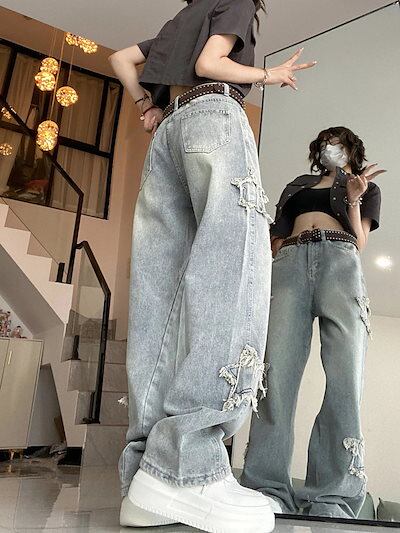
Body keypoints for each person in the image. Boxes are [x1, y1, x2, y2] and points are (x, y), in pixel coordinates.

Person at [109, 1, 316, 531]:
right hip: (214, 118)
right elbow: (210, 64)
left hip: (168, 133)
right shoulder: (237, 1)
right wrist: (269, 75)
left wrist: (146, 106)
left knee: (162, 292)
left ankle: (148, 479)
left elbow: (120, 60)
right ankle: (190, 466)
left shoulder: (179, 20)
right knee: (234, 271)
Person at [241, 126, 384, 519]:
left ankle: (332, 496)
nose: (328, 148)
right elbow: (275, 236)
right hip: (290, 263)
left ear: (351, 149)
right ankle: (266, 487)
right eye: (323, 144)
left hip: (340, 263)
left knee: (345, 378)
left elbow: (359, 242)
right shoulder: (297, 186)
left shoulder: (367, 188)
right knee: (275, 376)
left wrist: (353, 199)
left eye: (336, 143)